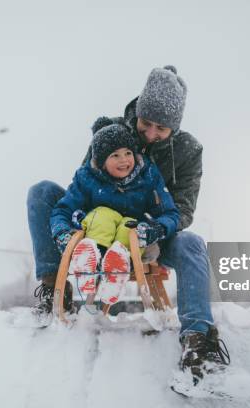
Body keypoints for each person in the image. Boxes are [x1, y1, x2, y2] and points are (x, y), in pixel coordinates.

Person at [27, 65, 229, 382]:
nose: (150, 134)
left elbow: (184, 209)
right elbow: (84, 181)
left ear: (175, 126)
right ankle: (56, 289)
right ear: (137, 112)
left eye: (161, 128)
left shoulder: (188, 151)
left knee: (192, 243)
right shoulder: (113, 133)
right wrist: (77, 228)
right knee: (41, 193)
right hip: (99, 230)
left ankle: (198, 343)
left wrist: (150, 233)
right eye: (145, 123)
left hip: (154, 233)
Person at [49, 117, 179, 306]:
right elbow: (63, 209)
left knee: (128, 224)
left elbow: (171, 213)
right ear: (101, 162)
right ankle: (90, 263)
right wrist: (62, 232)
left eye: (128, 153)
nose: (124, 160)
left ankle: (116, 270)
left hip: (133, 243)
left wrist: (158, 228)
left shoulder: (148, 175)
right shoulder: (87, 178)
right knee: (103, 214)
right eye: (115, 155)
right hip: (98, 233)